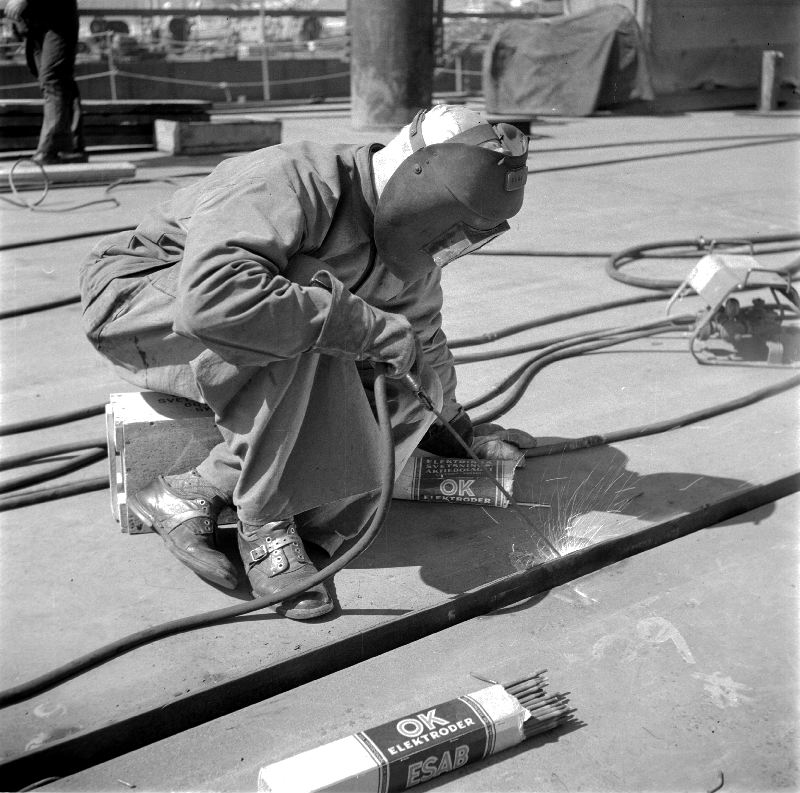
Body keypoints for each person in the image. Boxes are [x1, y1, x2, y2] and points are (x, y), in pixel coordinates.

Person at [79, 105, 536, 621]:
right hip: (143, 304)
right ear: (420, 180)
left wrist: (456, 430)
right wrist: (361, 326)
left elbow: (422, 341)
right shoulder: (293, 179)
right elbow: (214, 300)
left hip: (232, 325)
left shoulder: (409, 248)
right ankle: (265, 522)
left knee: (402, 375)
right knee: (310, 303)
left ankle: (198, 494)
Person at [3, 0, 87, 165]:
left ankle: (50, 149)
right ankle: (72, 146)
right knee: (58, 81)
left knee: (52, 79)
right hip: (34, 23)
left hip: (58, 20)